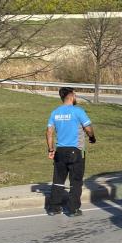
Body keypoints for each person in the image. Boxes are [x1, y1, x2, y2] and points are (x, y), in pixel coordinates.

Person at [45, 87, 96, 216]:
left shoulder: (55, 112)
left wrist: (51, 149)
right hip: (76, 151)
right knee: (76, 181)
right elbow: (88, 128)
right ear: (72, 95)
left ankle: (54, 208)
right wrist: (92, 137)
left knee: (58, 180)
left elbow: (49, 132)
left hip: (60, 151)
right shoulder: (78, 111)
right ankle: (73, 209)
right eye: (75, 95)